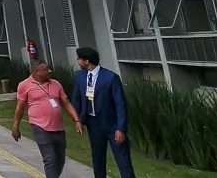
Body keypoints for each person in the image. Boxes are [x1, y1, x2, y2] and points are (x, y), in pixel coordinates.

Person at [71, 47, 135, 178]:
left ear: (86, 61)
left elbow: (120, 104)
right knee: (98, 160)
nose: (77, 61)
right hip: (93, 125)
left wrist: (121, 129)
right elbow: (76, 98)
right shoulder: (80, 76)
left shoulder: (111, 78)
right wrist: (77, 119)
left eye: (79, 59)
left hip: (112, 125)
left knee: (123, 161)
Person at [12, 61, 81, 178]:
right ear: (36, 72)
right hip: (39, 127)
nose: (49, 71)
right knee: (50, 159)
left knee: (60, 159)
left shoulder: (56, 84)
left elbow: (66, 103)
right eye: (45, 69)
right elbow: (20, 107)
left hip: (58, 128)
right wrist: (16, 126)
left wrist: (77, 120)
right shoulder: (24, 85)